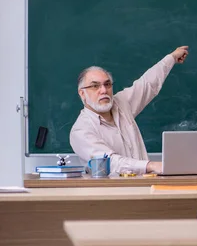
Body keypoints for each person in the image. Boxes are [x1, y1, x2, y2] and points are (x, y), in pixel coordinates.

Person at [70, 46, 189, 175]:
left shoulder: (121, 104)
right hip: (112, 192)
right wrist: (151, 165)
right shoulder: (81, 131)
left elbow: (147, 84)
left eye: (107, 84)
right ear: (82, 93)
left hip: (145, 187)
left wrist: (171, 58)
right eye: (95, 86)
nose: (103, 90)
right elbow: (110, 162)